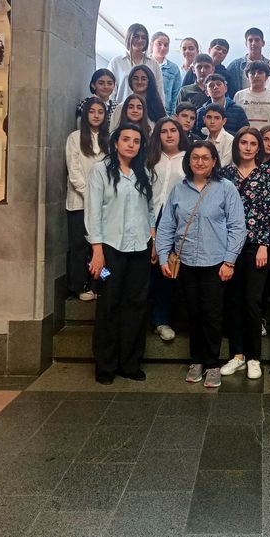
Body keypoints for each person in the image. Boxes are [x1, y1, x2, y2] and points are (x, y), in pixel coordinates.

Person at [156, 141, 246, 389]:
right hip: (186, 262)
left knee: (212, 315)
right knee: (193, 313)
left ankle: (212, 363)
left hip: (215, 262)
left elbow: (237, 227)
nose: (200, 162)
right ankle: (196, 360)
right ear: (189, 161)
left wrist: (229, 261)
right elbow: (166, 225)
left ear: (214, 161)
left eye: (206, 157)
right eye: (195, 157)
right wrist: (163, 256)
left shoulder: (226, 188)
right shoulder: (178, 189)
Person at [85, 123, 155, 384]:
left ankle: (130, 363)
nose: (131, 145)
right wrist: (97, 251)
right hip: (109, 251)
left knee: (136, 305)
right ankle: (106, 365)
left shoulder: (144, 172)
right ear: (115, 143)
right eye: (126, 139)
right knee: (108, 304)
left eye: (136, 141)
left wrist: (153, 239)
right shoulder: (100, 171)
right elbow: (93, 212)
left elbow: (150, 209)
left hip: (139, 249)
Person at [221, 128, 270, 380]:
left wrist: (265, 244)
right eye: (243, 142)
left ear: (258, 148)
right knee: (233, 301)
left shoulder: (267, 172)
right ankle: (237, 356)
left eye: (253, 143)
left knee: (252, 301)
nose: (247, 147)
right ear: (237, 145)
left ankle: (254, 357)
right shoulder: (225, 173)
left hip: (257, 246)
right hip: (229, 246)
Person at [145, 117, 189, 342]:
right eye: (164, 131)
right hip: (148, 217)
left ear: (180, 133)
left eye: (173, 130)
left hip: (177, 221)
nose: (169, 135)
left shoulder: (188, 158)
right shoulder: (150, 158)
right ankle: (147, 318)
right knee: (148, 269)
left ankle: (162, 319)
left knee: (168, 270)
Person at [66, 98, 108, 302]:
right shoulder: (75, 138)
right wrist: (90, 195)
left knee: (101, 248)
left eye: (100, 111)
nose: (96, 115)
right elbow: (73, 172)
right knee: (80, 246)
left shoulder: (109, 138)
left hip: (104, 205)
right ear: (85, 114)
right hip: (79, 203)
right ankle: (80, 285)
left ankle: (99, 284)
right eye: (92, 111)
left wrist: (101, 197)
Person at [111, 65, 166, 130]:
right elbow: (112, 131)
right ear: (130, 81)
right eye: (135, 78)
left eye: (143, 79)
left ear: (149, 81)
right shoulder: (121, 108)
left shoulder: (157, 107)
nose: (139, 82)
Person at [107, 23, 148, 104]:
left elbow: (159, 92)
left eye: (143, 37)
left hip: (148, 110)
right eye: (136, 36)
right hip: (121, 109)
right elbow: (110, 91)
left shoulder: (153, 64)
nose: (140, 40)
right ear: (129, 38)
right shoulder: (116, 62)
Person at [233, 61, 270, 128]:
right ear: (247, 76)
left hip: (268, 134)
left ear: (266, 77)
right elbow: (236, 119)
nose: (256, 76)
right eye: (252, 73)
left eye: (260, 73)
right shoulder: (239, 95)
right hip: (245, 134)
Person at [225, 27, 268, 97]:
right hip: (241, 102)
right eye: (250, 40)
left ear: (263, 43)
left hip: (266, 101)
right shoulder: (235, 65)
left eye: (257, 40)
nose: (253, 43)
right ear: (246, 43)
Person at [147, 31, 180, 115]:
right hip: (145, 109)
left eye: (166, 45)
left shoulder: (174, 68)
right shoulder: (144, 64)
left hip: (165, 112)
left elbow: (176, 95)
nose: (163, 48)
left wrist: (173, 115)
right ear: (151, 44)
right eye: (159, 44)